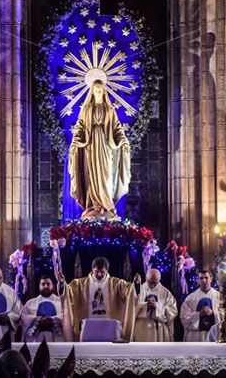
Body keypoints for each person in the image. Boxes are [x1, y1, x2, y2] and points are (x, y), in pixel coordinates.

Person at [68, 79, 131, 221]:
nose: (97, 92)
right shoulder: (86, 110)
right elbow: (80, 127)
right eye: (95, 90)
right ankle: (93, 206)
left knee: (106, 176)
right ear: (92, 92)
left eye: (100, 90)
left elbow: (117, 128)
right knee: (92, 177)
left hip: (106, 147)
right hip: (90, 148)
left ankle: (107, 206)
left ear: (103, 92)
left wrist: (122, 140)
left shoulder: (109, 110)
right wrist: (76, 141)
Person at [57, 256, 139, 341]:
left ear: (107, 270)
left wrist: (135, 285)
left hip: (109, 328)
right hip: (88, 328)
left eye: (102, 272)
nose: (99, 274)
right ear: (92, 269)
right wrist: (62, 284)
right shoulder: (79, 284)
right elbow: (68, 293)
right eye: (97, 271)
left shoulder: (117, 284)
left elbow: (129, 291)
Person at [132, 268, 177, 342]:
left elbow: (173, 311)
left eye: (155, 283)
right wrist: (146, 306)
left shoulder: (166, 293)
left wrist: (157, 306)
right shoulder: (138, 290)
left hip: (159, 329)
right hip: (141, 329)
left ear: (159, 280)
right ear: (146, 278)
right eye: (150, 282)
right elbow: (131, 307)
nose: (152, 285)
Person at [180, 270, 221, 341]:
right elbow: (184, 317)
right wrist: (199, 314)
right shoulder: (190, 298)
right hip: (196, 336)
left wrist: (213, 313)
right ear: (198, 280)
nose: (204, 280)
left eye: (206, 278)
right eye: (201, 278)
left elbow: (224, 315)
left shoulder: (219, 296)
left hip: (214, 335)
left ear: (211, 279)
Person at [21, 275, 64, 342]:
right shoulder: (31, 303)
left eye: (48, 284)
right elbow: (23, 318)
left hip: (55, 338)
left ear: (53, 286)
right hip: (36, 338)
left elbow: (66, 317)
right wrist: (36, 319)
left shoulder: (61, 302)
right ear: (39, 286)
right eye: (43, 284)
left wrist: (53, 319)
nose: (46, 286)